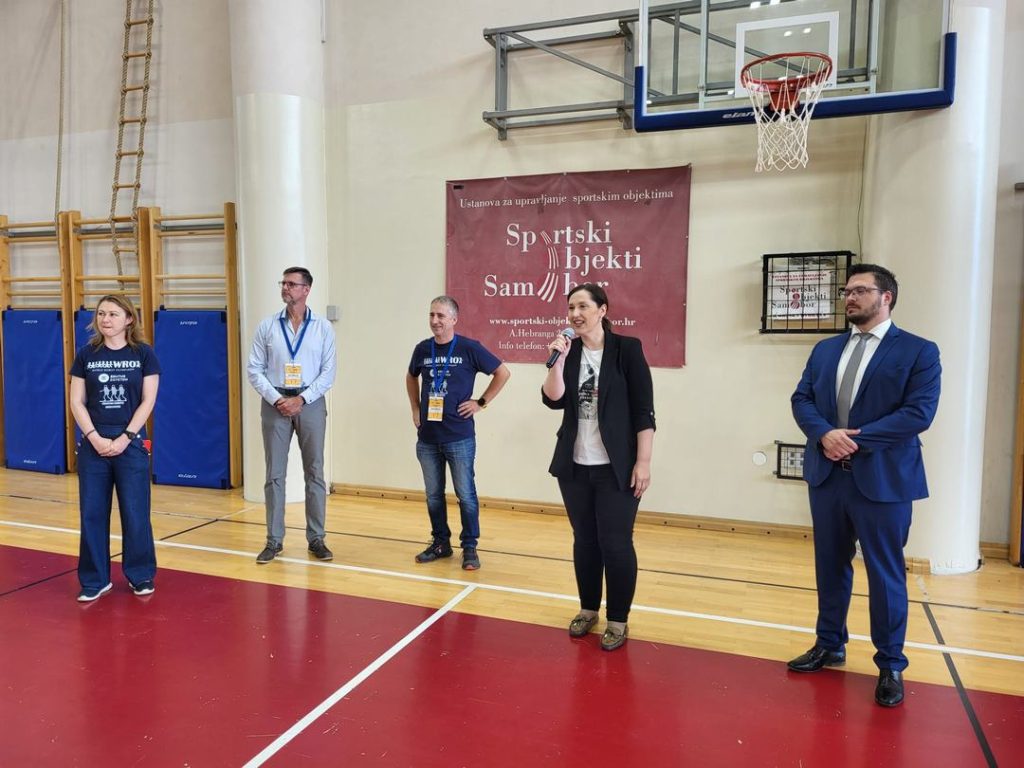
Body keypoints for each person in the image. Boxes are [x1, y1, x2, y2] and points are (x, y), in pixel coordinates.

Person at [789, 264, 941, 707]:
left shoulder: (918, 351)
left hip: (883, 480)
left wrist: (852, 440)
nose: (849, 297)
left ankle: (890, 664)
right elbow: (801, 399)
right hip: (827, 477)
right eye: (846, 291)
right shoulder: (825, 350)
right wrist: (824, 434)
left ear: (886, 297)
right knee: (829, 565)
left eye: (859, 290)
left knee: (885, 572)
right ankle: (829, 644)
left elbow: (918, 413)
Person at [542, 283, 655, 651]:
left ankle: (618, 619)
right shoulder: (569, 351)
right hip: (574, 466)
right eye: (570, 308)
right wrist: (557, 361)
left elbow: (644, 411)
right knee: (585, 540)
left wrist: (643, 462)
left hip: (616, 467)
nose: (575, 314)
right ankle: (588, 609)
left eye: (583, 306)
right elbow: (553, 400)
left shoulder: (627, 349)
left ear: (602, 310)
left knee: (616, 543)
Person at [405, 296, 510, 570]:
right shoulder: (422, 349)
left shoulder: (468, 348)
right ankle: (441, 543)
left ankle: (470, 547)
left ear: (454, 319)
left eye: (441, 315)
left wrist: (481, 402)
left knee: (466, 494)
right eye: (432, 315)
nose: (435, 320)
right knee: (433, 495)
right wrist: (415, 407)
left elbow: (502, 372)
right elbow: (411, 376)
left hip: (459, 437)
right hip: (428, 438)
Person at [69, 295, 161, 601]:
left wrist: (125, 437)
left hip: (131, 443)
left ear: (129, 319)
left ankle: (140, 574)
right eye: (101, 314)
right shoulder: (86, 354)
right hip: (93, 443)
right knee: (92, 514)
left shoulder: (144, 354)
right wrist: (94, 437)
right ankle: (95, 580)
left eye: (113, 314)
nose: (105, 319)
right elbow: (76, 401)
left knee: (135, 513)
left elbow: (148, 400)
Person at [247, 267, 337, 564]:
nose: (285, 288)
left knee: (315, 471)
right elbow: (254, 369)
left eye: (291, 284)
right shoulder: (267, 326)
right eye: (283, 283)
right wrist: (277, 399)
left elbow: (328, 373)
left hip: (310, 402)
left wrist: (301, 399)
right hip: (275, 402)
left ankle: (316, 538)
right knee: (274, 473)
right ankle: (274, 540)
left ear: (306, 290)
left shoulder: (323, 328)